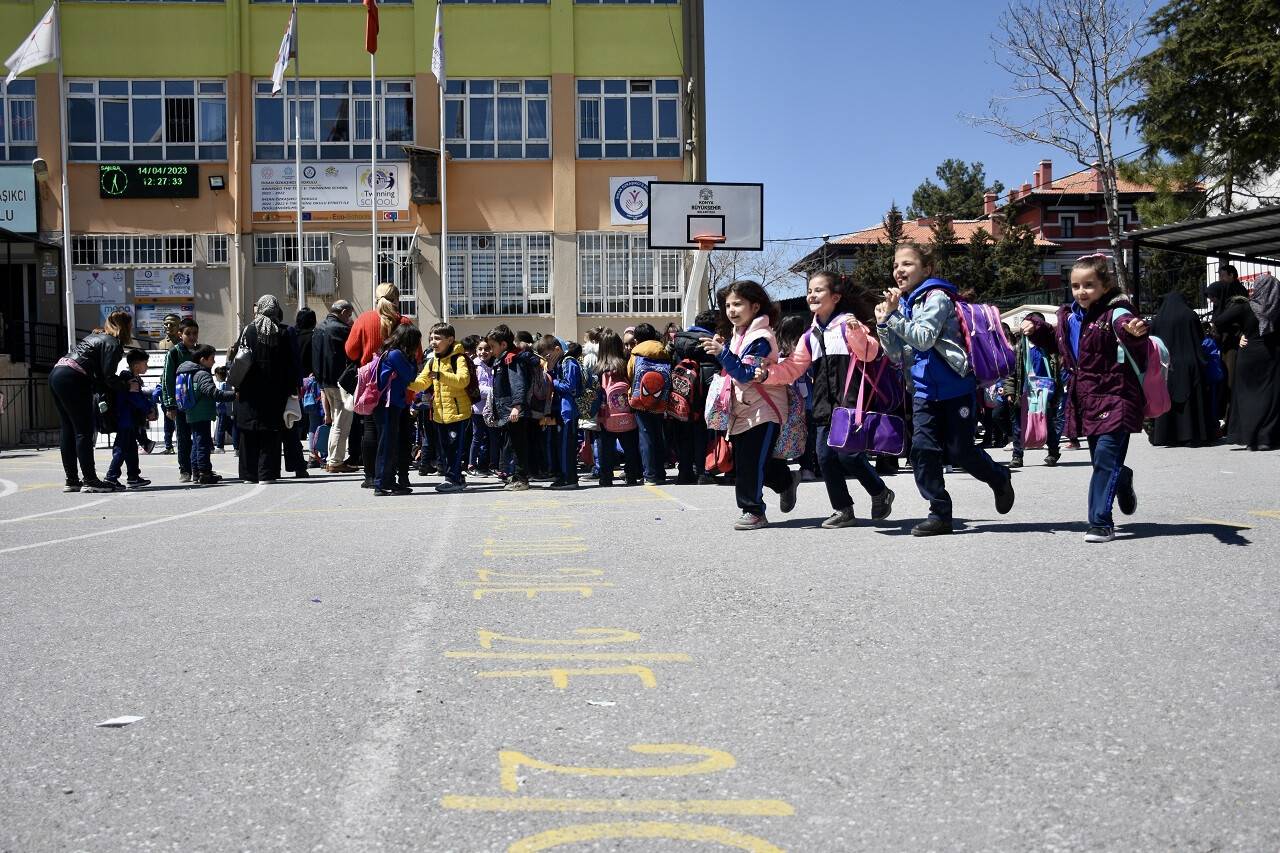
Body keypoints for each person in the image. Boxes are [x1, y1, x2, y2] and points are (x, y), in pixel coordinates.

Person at [875, 243, 1015, 537]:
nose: (899, 270)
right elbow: (896, 354)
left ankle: (998, 477)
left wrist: (894, 316)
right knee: (922, 451)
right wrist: (883, 324)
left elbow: (924, 338)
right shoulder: (903, 303)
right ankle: (939, 513)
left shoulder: (937, 297)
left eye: (907, 264)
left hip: (956, 388)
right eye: (896, 265)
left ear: (927, 269)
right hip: (922, 391)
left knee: (960, 451)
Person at [1024, 255, 1148, 543]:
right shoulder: (1069, 317)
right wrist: (1036, 327)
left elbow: (1129, 327)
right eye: (1076, 285)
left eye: (1089, 285)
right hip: (1087, 400)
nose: (1081, 291)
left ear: (1105, 285)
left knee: (1104, 461)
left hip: (1117, 397)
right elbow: (1056, 342)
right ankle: (1123, 477)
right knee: (1103, 462)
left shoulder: (1116, 313)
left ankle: (1101, 523)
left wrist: (1135, 332)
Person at [758, 270, 895, 528]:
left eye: (818, 290)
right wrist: (767, 374)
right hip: (823, 406)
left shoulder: (848, 325)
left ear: (835, 297)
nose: (812, 295)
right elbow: (793, 368)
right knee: (824, 457)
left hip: (850, 402)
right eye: (809, 291)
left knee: (848, 456)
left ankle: (879, 492)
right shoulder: (809, 336)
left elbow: (869, 353)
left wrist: (856, 333)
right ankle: (843, 509)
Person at [700, 280, 797, 531]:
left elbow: (745, 374)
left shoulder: (761, 337)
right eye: (728, 305)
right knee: (752, 461)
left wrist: (722, 353)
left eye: (738, 304)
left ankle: (753, 511)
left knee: (750, 464)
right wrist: (725, 349)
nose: (731, 310)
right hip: (743, 408)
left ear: (755, 306)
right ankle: (786, 481)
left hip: (764, 408)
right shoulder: (739, 334)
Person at [50, 311, 134, 493]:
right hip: (74, 377)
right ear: (126, 326)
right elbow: (108, 377)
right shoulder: (112, 343)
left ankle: (72, 480)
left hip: (58, 372)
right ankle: (90, 480)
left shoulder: (95, 336)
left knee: (68, 428)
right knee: (84, 431)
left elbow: (99, 374)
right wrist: (126, 385)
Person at [346, 284, 413, 488]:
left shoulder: (364, 319)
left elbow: (350, 351)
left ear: (375, 298)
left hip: (372, 385)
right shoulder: (404, 322)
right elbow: (416, 354)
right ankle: (401, 476)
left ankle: (371, 476)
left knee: (370, 429)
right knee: (401, 431)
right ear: (397, 299)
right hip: (399, 387)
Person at [232, 295, 297, 484]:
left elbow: (237, 357)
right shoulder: (281, 332)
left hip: (249, 391)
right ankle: (267, 474)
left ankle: (249, 475)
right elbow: (289, 365)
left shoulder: (248, 331)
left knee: (248, 433)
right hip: (274, 392)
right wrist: (291, 389)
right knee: (270, 433)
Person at [1212, 273, 1280, 451]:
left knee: (1247, 397)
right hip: (1272, 356)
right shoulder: (1278, 307)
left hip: (1248, 355)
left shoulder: (1245, 307)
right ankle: (1266, 438)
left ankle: (1250, 439)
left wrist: (1238, 334)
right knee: (1270, 398)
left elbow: (1219, 321)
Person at [409, 323, 472, 493]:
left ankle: (453, 479)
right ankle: (456, 477)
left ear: (450, 340)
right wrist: (406, 382)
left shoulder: (458, 359)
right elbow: (422, 382)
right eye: (431, 338)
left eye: (437, 338)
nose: (433, 342)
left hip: (458, 413)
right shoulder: (432, 361)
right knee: (445, 449)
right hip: (439, 415)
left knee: (454, 449)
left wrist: (440, 375)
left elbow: (463, 380)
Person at [1150, 291, 1213, 447]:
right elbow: (1200, 338)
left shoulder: (1158, 318)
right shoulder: (1190, 315)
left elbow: (1153, 341)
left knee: (1167, 397)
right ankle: (1191, 434)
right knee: (1191, 399)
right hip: (1190, 361)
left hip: (1166, 364)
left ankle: (1167, 435)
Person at [670, 310, 720, 485]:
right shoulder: (712, 342)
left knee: (683, 433)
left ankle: (684, 472)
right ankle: (702, 472)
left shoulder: (679, 341)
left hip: (682, 393)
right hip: (705, 394)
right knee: (702, 433)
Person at [486, 325, 539, 491]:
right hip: (507, 410)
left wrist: (517, 407)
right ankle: (514, 475)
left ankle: (522, 478)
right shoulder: (502, 359)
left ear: (503, 344)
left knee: (518, 446)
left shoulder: (512, 360)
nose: (490, 350)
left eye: (492, 346)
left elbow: (518, 384)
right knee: (512, 445)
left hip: (514, 410)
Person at [176, 344, 237, 486]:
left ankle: (196, 471)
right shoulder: (202, 374)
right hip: (201, 413)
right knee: (202, 443)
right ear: (203, 359)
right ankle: (205, 473)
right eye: (212, 358)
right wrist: (234, 395)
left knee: (196, 443)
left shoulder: (189, 372)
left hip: (192, 412)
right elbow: (213, 392)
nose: (214, 361)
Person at [373, 324, 422, 496]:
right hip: (389, 404)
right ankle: (381, 483)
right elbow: (410, 376)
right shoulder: (396, 355)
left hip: (390, 404)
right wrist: (413, 360)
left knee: (390, 444)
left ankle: (388, 481)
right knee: (387, 445)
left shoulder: (391, 352)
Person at [1007, 312, 1062, 467]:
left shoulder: (1049, 347)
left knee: (1047, 422)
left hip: (1045, 391)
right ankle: (1017, 455)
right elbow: (1012, 372)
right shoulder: (1019, 347)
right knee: (1018, 425)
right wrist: (1010, 391)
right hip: (1023, 391)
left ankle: (1053, 452)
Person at [594, 328, 643, 487]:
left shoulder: (599, 368)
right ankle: (631, 475)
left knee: (605, 448)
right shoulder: (625, 364)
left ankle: (606, 477)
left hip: (606, 415)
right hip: (627, 414)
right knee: (630, 446)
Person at [313, 299, 357, 473]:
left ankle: (332, 458)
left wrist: (320, 381)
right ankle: (335, 461)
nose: (349, 318)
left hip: (325, 381)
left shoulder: (319, 328)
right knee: (342, 422)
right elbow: (352, 353)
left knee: (336, 420)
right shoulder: (342, 329)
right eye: (349, 315)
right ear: (344, 312)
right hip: (341, 382)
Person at [103, 348, 154, 490]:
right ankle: (111, 477)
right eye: (145, 363)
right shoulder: (129, 379)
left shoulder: (131, 378)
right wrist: (149, 410)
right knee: (121, 449)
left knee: (131, 449)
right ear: (136, 365)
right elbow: (137, 399)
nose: (147, 366)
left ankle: (133, 477)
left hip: (129, 420)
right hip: (126, 420)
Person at [627, 323, 672, 485]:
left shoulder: (636, 353)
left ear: (637, 339)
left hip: (641, 400)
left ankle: (650, 475)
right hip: (660, 400)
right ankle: (660, 473)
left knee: (645, 436)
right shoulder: (664, 352)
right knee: (659, 435)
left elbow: (630, 374)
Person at [537, 334, 583, 490]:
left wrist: (552, 380)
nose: (546, 359)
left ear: (557, 349)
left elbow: (569, 386)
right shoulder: (558, 364)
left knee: (566, 447)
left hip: (568, 412)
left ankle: (569, 478)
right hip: (560, 410)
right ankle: (563, 475)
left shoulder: (568, 362)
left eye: (547, 355)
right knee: (560, 446)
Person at [160, 318, 200, 483]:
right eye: (188, 333)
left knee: (199, 437)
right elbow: (167, 380)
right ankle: (185, 470)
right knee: (183, 438)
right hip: (181, 402)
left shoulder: (200, 351)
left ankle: (198, 468)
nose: (192, 337)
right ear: (180, 334)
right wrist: (170, 404)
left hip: (198, 403)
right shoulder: (174, 353)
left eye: (195, 333)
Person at [469, 337, 498, 476]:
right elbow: (477, 388)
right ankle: (471, 465)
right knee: (477, 437)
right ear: (476, 351)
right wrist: (494, 391)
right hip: (478, 408)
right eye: (480, 349)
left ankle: (492, 465)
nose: (483, 352)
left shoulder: (493, 365)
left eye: (487, 349)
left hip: (491, 409)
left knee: (493, 437)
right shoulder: (475, 366)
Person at [212, 365, 235, 453]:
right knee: (230, 428)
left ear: (217, 375)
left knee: (220, 428)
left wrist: (215, 407)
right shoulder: (228, 384)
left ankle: (220, 446)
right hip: (228, 410)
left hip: (222, 409)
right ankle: (237, 443)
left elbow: (219, 397)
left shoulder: (221, 385)